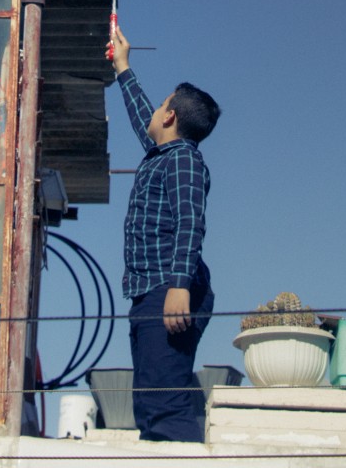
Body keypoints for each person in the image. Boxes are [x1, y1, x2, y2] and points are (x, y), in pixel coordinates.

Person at [107, 25, 221, 442]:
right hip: (150, 292)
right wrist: (123, 67)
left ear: (170, 116)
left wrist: (179, 287)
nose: (153, 111)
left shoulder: (184, 160)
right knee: (149, 406)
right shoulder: (165, 155)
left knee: (164, 407)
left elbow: (191, 222)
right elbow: (144, 121)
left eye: (160, 106)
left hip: (168, 291)